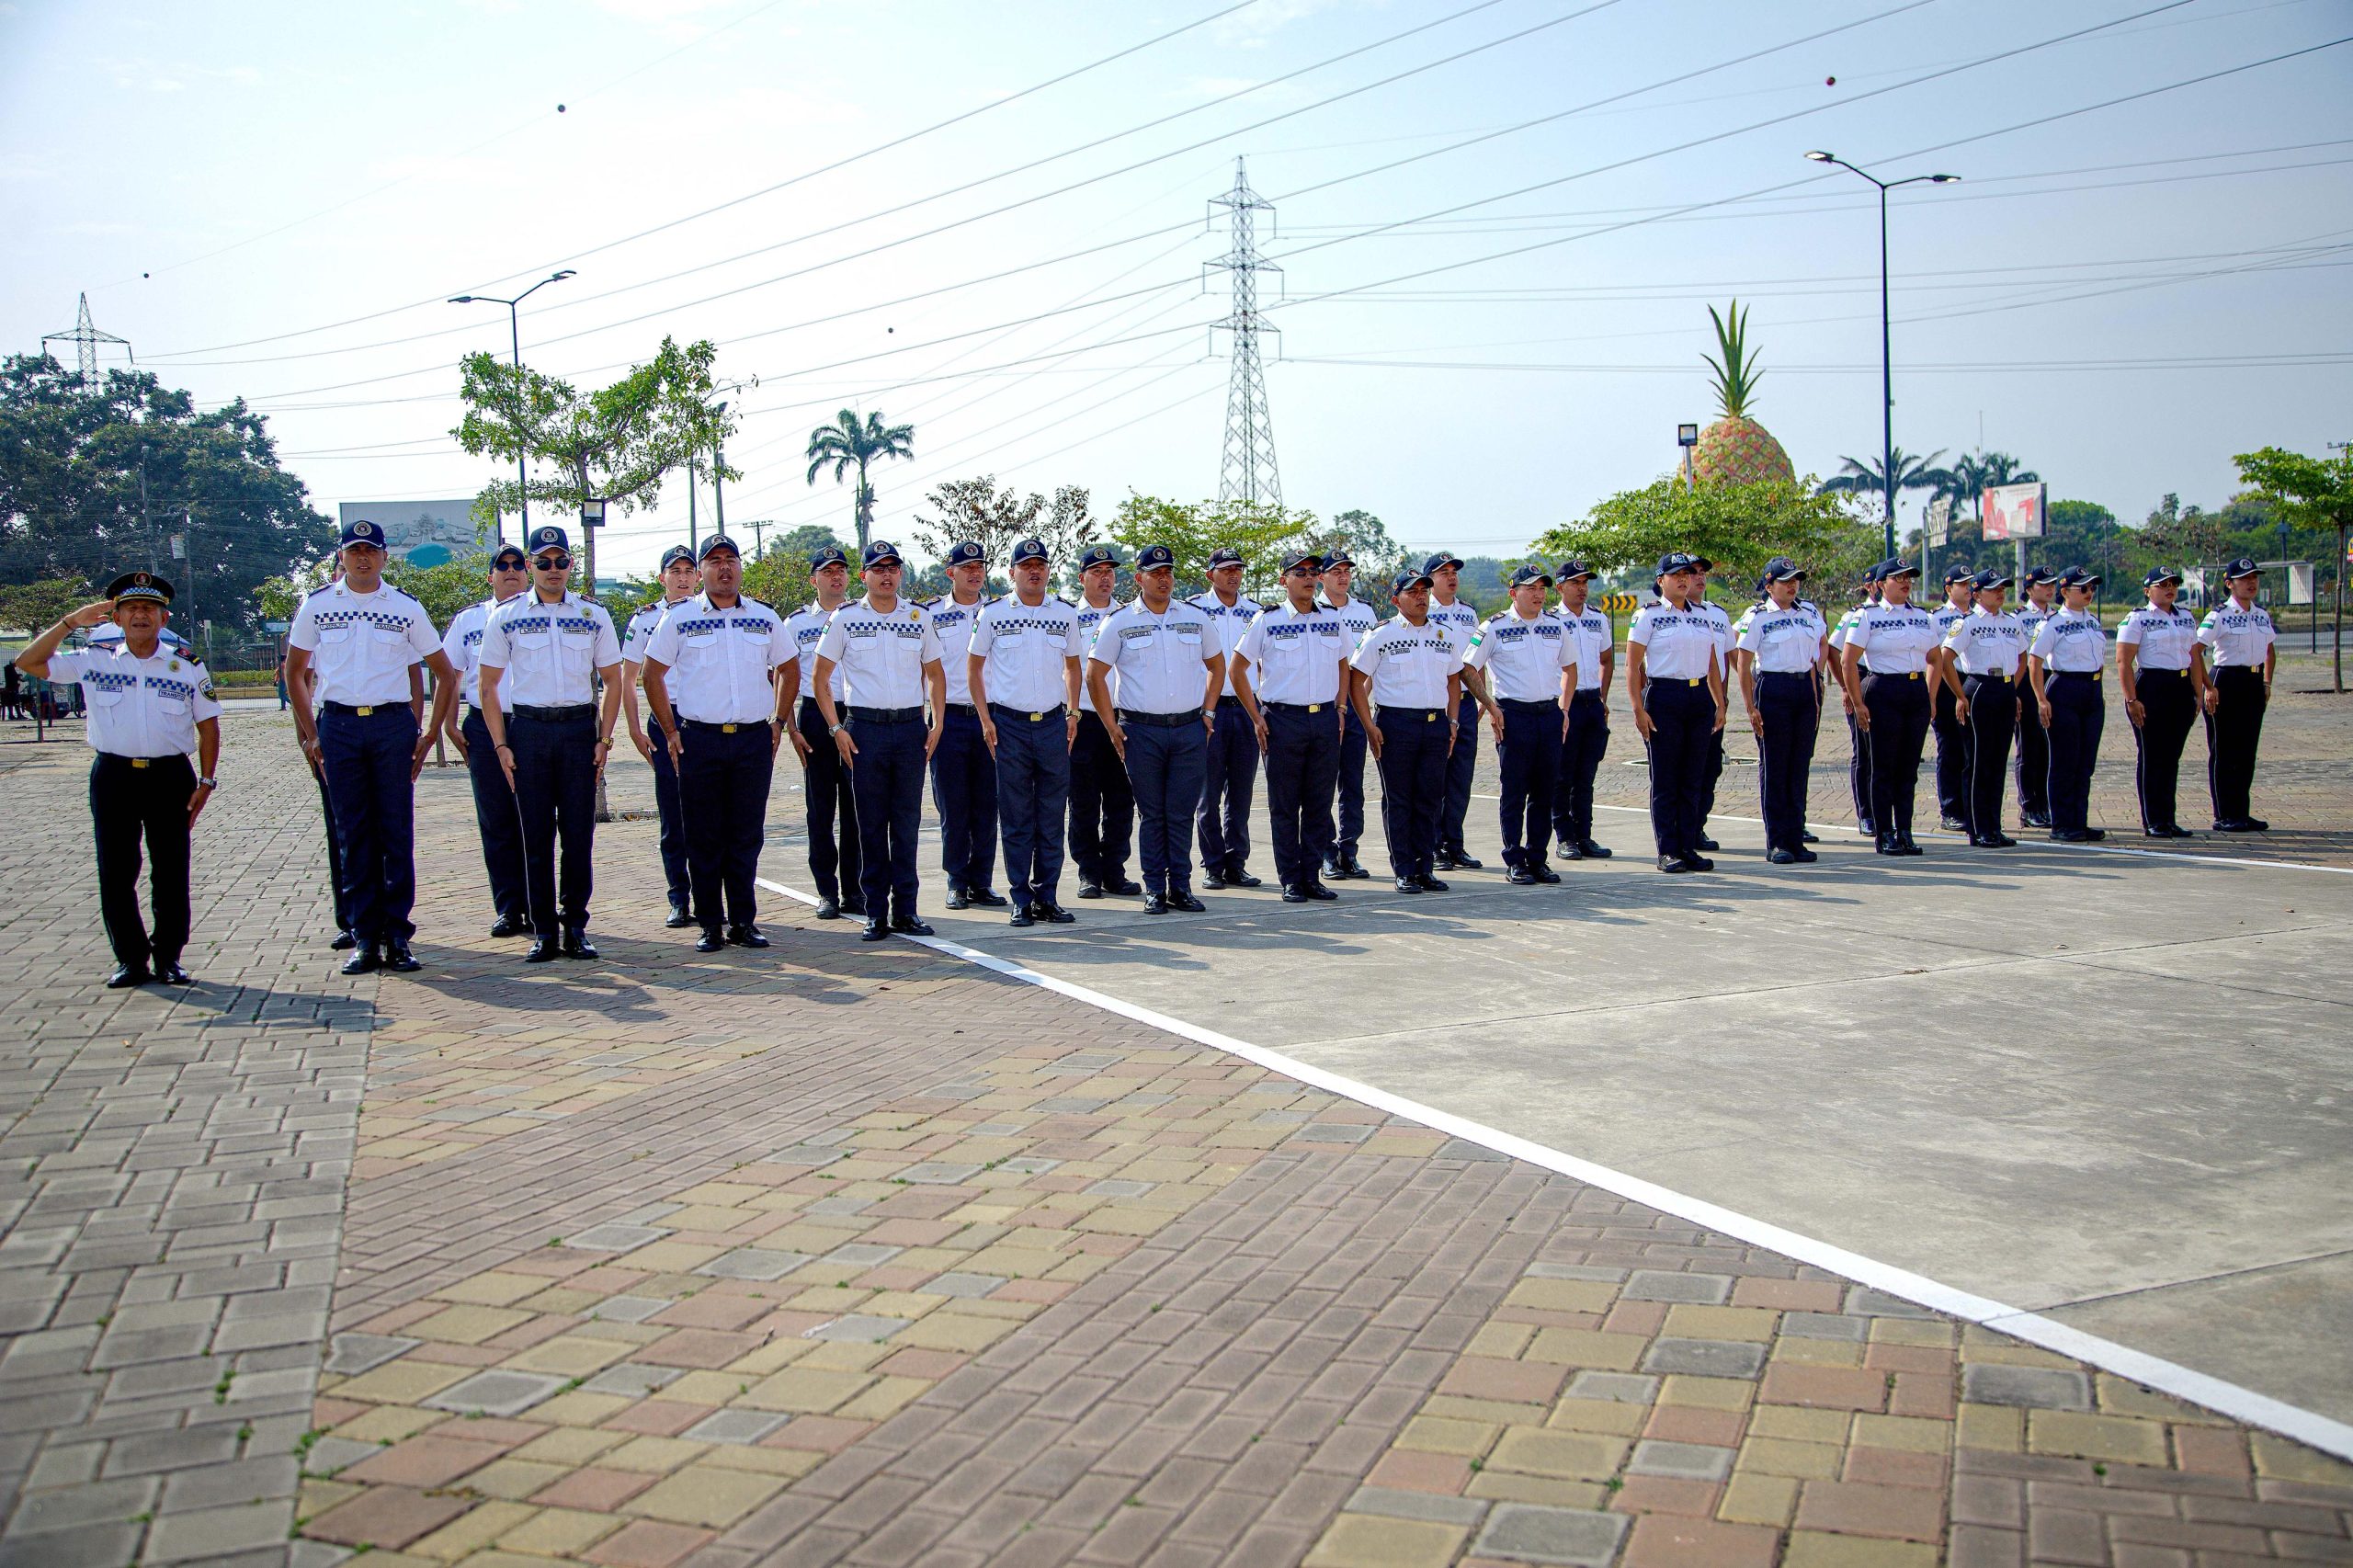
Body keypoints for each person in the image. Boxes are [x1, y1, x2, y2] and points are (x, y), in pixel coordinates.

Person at [16, 573, 220, 988]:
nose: (140, 615)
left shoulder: (185, 664)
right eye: (131, 609)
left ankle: (169, 958)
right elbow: (28, 663)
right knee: (116, 869)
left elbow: (209, 728)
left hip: (169, 776)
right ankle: (130, 959)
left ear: (164, 619)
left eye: (149, 609)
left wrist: (207, 780)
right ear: (117, 617)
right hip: (113, 776)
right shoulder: (94, 659)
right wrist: (71, 622)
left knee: (170, 869)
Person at [283, 519, 460, 974]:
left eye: (371, 551)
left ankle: (397, 935)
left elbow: (444, 673)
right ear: (341, 556)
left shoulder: (404, 608)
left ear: (384, 557)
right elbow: (295, 672)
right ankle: (364, 937)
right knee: (353, 833)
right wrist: (312, 734)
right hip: (339, 726)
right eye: (354, 550)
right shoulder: (318, 606)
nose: (362, 558)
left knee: (395, 832)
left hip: (390, 727)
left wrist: (427, 734)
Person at [639, 535, 794, 952]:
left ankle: (743, 921)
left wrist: (779, 720)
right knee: (703, 835)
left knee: (746, 834)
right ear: (702, 571)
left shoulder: (764, 617)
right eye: (714, 561)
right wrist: (670, 731)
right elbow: (651, 675)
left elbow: (790, 668)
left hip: (751, 741)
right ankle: (710, 922)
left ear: (740, 568)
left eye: (731, 560)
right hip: (699, 741)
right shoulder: (680, 618)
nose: (724, 568)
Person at [477, 525, 625, 963]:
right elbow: (488, 686)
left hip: (579, 731)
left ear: (571, 565)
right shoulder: (506, 616)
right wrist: (502, 746)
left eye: (561, 561)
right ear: (530, 566)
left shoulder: (592, 615)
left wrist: (603, 737)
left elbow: (614, 680)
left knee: (579, 835)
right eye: (543, 562)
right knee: (535, 835)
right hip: (529, 731)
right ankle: (543, 930)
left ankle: (575, 925)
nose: (553, 569)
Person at [814, 540, 948, 940]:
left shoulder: (918, 617)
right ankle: (875, 911)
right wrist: (836, 729)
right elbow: (820, 679)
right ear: (864, 576)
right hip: (864, 730)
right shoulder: (845, 618)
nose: (886, 575)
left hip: (909, 729)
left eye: (893, 568)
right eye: (878, 569)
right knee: (870, 823)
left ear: (900, 574)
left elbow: (937, 675)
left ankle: (906, 910)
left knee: (906, 823)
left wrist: (937, 722)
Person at [1086, 544, 1221, 914]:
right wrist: (1110, 724)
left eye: (1168, 573)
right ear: (1139, 578)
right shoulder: (1120, 621)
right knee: (1152, 813)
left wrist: (1208, 713)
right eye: (1155, 573)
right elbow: (1094, 674)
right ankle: (1154, 889)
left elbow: (1217, 664)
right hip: (1141, 731)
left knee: (1180, 813)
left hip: (1188, 728)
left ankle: (1181, 886)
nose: (1164, 579)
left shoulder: (1194, 617)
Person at [970, 536, 1086, 926]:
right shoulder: (994, 614)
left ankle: (1047, 897)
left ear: (1048, 570)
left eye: (1040, 564)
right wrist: (986, 719)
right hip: (1009, 726)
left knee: (1051, 814)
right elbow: (973, 669)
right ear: (1012, 572)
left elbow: (1073, 665)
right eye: (1026, 565)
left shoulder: (1064, 613)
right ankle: (1021, 898)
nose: (1034, 571)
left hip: (1053, 723)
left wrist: (1072, 711)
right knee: (1017, 815)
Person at [1231, 547, 1347, 903]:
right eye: (1300, 573)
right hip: (1283, 720)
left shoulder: (1331, 618)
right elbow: (1237, 669)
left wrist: (1340, 707)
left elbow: (1345, 664)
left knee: (1318, 802)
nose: (1309, 579)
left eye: (1313, 573)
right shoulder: (1267, 620)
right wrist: (1256, 716)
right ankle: (1290, 880)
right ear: (1284, 581)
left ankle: (1311, 876)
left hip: (1325, 719)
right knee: (1284, 804)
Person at [438, 543, 531, 937]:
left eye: (517, 565)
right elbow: (447, 674)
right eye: (502, 566)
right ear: (490, 575)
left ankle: (541, 906)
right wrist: (447, 723)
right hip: (482, 724)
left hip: (532, 725)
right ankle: (510, 908)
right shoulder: (468, 620)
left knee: (537, 820)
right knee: (496, 819)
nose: (510, 571)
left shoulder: (542, 615)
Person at [1350, 567, 1462, 892]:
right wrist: (1369, 725)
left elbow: (1454, 678)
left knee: (1429, 798)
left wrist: (1452, 721)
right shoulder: (1381, 634)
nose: (1420, 597)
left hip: (1435, 724)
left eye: (1424, 591)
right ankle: (1403, 868)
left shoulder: (1443, 634)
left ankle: (1425, 867)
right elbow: (1357, 680)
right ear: (1396, 599)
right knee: (1399, 799)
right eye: (1413, 592)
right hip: (1396, 725)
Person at [1466, 564, 1574, 884]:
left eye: (1542, 588)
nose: (1539, 594)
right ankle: (1514, 858)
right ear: (1514, 593)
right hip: (1514, 716)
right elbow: (1468, 668)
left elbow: (1570, 668)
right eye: (1531, 588)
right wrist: (1490, 706)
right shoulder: (1494, 627)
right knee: (1514, 791)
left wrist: (1564, 709)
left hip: (1549, 715)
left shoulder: (1556, 625)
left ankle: (1537, 858)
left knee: (1545, 791)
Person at [1627, 553, 1725, 872]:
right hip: (1664, 696)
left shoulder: (1703, 615)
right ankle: (1667, 849)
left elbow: (1712, 662)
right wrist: (1638, 709)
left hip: (1698, 698)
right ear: (1661, 581)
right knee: (1667, 778)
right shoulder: (1648, 616)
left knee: (1693, 777)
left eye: (1688, 573)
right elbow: (1632, 665)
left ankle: (1687, 845)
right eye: (1676, 575)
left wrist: (1719, 702)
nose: (1684, 579)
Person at [620, 543, 700, 927]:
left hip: (705, 723)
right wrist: (634, 728)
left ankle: (710, 897)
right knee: (673, 815)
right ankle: (678, 898)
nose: (683, 578)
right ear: (662, 578)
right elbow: (630, 675)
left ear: (698, 577)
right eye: (676, 571)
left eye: (689, 571)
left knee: (709, 816)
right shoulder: (647, 619)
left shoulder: (712, 613)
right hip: (665, 721)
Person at [1840, 559, 1938, 857]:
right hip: (1883, 689)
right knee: (1883, 767)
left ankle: (1905, 831)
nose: (1906, 582)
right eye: (1898, 578)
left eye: (1909, 577)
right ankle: (1884, 833)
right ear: (1881, 584)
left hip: (1915, 691)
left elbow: (1936, 658)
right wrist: (1858, 703)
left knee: (1908, 768)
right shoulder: (1867, 616)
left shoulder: (1922, 616)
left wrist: (1930, 696)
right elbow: (1847, 660)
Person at [785, 544, 862, 919]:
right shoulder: (796, 624)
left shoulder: (862, 616)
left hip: (855, 715)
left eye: (841, 571)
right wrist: (789, 727)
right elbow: (782, 678)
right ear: (813, 579)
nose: (836, 577)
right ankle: (826, 892)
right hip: (815, 719)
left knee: (856, 810)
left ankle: (855, 890)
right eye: (828, 571)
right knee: (820, 810)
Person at [926, 540, 1004, 909]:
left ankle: (981, 881)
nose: (975, 572)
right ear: (950, 572)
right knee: (953, 805)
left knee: (988, 805)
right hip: (950, 718)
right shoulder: (928, 614)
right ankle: (957, 880)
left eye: (980, 566)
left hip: (992, 718)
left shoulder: (999, 612)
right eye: (966, 566)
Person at [1736, 558, 1827, 863]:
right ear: (1768, 585)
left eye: (1796, 580)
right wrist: (1750, 707)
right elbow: (1744, 662)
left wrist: (1816, 694)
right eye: (1785, 580)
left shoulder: (1809, 612)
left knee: (1799, 767)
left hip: (1803, 689)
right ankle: (1777, 841)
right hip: (1773, 690)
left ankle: (1795, 836)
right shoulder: (1758, 617)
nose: (1792, 585)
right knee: (1776, 767)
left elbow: (1819, 650)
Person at [2116, 566, 2208, 839]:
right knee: (2152, 756)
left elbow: (2194, 657)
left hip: (2180, 688)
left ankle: (2168, 818)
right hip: (2151, 687)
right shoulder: (2138, 619)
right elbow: (2123, 661)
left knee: (2171, 758)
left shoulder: (2186, 618)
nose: (2169, 589)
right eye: (2162, 584)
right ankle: (2153, 819)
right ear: (2147, 590)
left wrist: (2198, 693)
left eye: (2173, 584)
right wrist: (2131, 699)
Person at [1942, 569, 2031, 848]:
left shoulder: (2011, 622)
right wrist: (1959, 695)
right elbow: (1946, 659)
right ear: (1977, 594)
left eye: (2003, 588)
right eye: (1994, 589)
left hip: (2003, 688)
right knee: (1978, 761)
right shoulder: (1966, 623)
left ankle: (1994, 825)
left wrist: (2012, 688)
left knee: (1997, 761)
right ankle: (1977, 827)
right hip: (1979, 688)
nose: (2000, 593)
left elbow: (2022, 656)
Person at [1068, 544, 1139, 899]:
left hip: (1122, 718)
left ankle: (1115, 870)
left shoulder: (1128, 617)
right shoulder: (1067, 617)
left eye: (1110, 571)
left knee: (1120, 800)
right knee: (1083, 801)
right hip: (1082, 721)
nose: (1105, 577)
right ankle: (1088, 873)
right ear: (1082, 578)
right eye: (1097, 572)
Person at [1191, 548, 1264, 888]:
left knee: (1242, 792)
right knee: (1209, 794)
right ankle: (1213, 865)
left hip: (1247, 709)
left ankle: (1237, 862)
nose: (1233, 575)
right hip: (1211, 710)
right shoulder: (1194, 610)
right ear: (1210, 575)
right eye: (1225, 569)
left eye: (1237, 568)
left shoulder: (1256, 612)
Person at [2027, 567, 2109, 842]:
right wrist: (2041, 699)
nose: (2089, 593)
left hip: (2092, 690)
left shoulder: (2093, 621)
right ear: (2065, 592)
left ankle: (2079, 820)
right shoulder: (2052, 623)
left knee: (2085, 762)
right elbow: (2035, 661)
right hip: (2064, 689)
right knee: (2064, 760)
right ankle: (2061, 823)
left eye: (2092, 589)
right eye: (2083, 589)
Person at [2200, 556, 2276, 832]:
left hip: (2253, 683)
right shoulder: (2219, 615)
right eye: (2244, 579)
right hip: (2226, 680)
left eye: (2254, 577)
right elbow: (2196, 650)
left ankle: (2241, 812)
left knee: (2247, 751)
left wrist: (2266, 682)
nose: (2251, 583)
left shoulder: (2261, 614)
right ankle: (2224, 814)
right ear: (2229, 584)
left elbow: (2269, 649)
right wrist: (2208, 687)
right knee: (2224, 751)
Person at [1316, 550, 1379, 881]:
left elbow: (1369, 664)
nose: (1342, 576)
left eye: (1346, 571)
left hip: (1355, 709)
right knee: (1323, 785)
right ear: (1321, 576)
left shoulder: (1365, 613)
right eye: (1335, 571)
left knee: (1352, 784)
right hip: (1323, 710)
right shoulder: (1313, 611)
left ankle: (1349, 850)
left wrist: (1358, 701)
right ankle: (1326, 852)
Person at [1424, 552, 1488, 870]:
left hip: (1464, 703)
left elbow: (1476, 661)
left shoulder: (1468, 614)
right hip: (1436, 704)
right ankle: (1433, 845)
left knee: (1461, 777)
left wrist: (1482, 699)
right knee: (1436, 777)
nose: (1451, 577)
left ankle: (1455, 843)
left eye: (1454, 572)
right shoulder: (1424, 612)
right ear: (1429, 580)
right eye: (1443, 572)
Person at [1550, 562, 1614, 861]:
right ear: (1560, 587)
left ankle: (1584, 835)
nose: (1582, 588)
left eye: (1585, 582)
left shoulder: (1598, 618)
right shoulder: (1550, 620)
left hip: (1591, 702)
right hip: (1566, 704)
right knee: (1563, 775)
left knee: (1586, 775)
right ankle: (1564, 837)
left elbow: (1606, 660)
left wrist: (1602, 697)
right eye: (1575, 583)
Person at [1827, 570, 1881, 839]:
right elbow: (1833, 651)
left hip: (1884, 680)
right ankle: (1866, 813)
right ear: (1870, 586)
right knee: (1864, 750)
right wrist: (1846, 688)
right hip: (1859, 678)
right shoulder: (1855, 615)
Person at [2012, 565, 2061, 828]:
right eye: (2044, 584)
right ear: (2030, 590)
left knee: (2048, 748)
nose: (2050, 588)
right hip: (2028, 685)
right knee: (2029, 748)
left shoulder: (2058, 616)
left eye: (2052, 583)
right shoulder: (2019, 618)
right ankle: (2029, 806)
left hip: (2052, 681)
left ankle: (2045, 803)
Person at [1927, 565, 1975, 833]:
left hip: (1970, 685)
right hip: (1946, 688)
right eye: (1962, 584)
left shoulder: (1976, 616)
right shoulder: (1936, 618)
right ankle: (1950, 808)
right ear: (1948, 589)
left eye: (1970, 584)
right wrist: (1931, 696)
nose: (1968, 589)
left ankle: (1969, 806)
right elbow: (1933, 658)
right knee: (1950, 748)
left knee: (1970, 749)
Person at [1690, 584, 1736, 852]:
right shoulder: (1662, 614)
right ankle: (1678, 830)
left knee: (1710, 766)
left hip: (1713, 700)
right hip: (1681, 695)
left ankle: (1697, 826)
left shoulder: (1717, 614)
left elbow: (1730, 659)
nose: (1698, 578)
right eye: (1690, 572)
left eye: (1701, 573)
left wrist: (1723, 699)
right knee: (1684, 770)